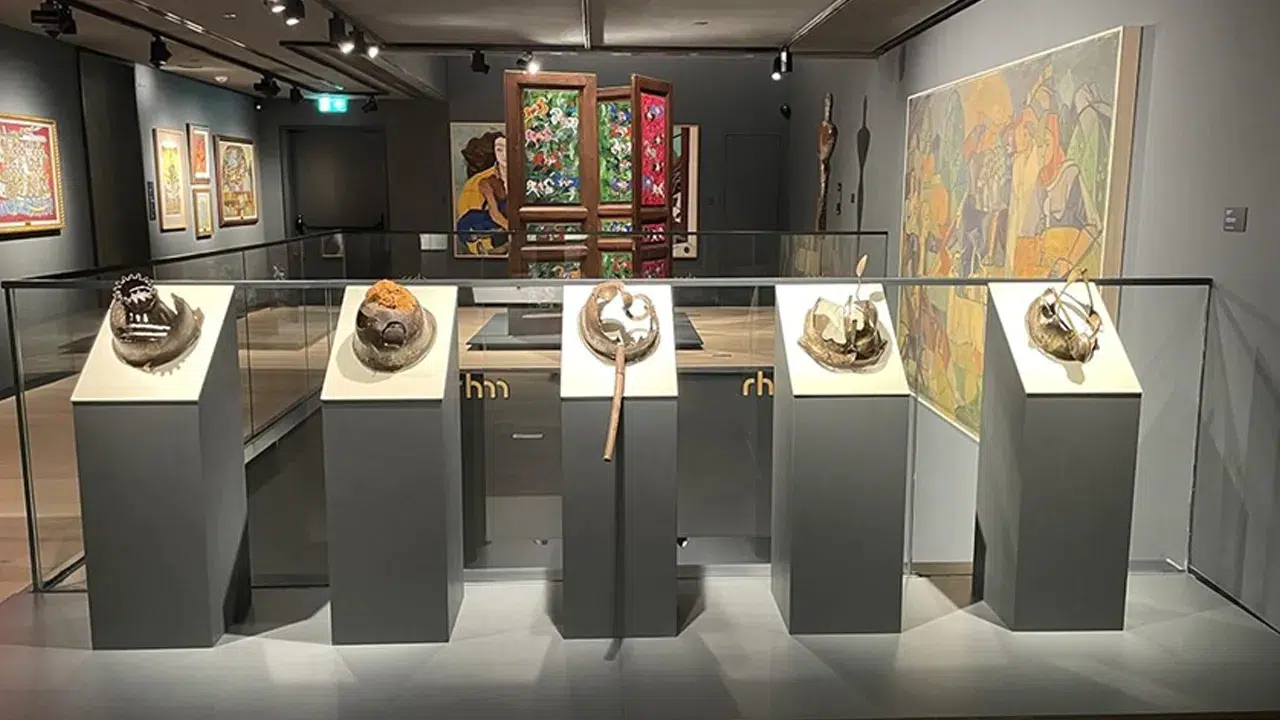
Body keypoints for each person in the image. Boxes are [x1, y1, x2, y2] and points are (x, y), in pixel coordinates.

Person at [455, 132, 508, 255]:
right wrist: (513, 229)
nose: (504, 155)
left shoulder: (524, 177)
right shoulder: (484, 182)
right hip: (490, 222)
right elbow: (495, 214)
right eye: (499, 150)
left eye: (507, 149)